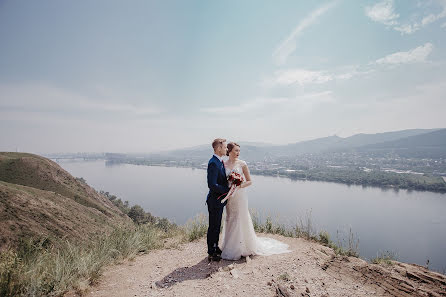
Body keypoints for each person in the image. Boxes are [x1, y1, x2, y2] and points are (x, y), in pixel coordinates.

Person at [219, 142, 290, 260]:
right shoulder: (223, 164)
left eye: (239, 151)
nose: (238, 153)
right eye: (236, 150)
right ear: (229, 151)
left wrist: (239, 185)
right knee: (230, 218)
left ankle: (243, 247)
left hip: (240, 196)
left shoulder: (242, 164)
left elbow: (249, 181)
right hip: (230, 197)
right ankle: (229, 246)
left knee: (241, 217)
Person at [206, 138, 230, 262]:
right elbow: (212, 184)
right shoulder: (213, 163)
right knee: (213, 226)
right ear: (218, 148)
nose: (227, 149)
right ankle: (211, 252)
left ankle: (215, 247)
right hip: (214, 201)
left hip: (218, 201)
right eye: (225, 147)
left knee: (217, 225)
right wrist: (227, 190)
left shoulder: (220, 161)